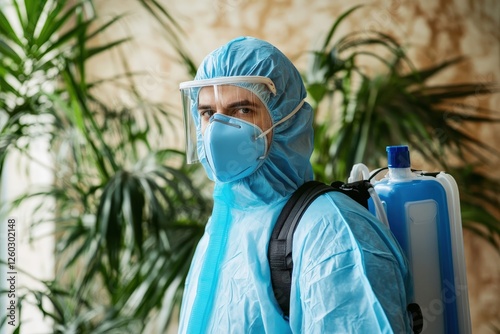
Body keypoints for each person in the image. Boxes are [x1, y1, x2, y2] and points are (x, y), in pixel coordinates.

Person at [178, 36, 413, 333]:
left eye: (243, 110)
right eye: (208, 113)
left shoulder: (332, 233)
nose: (217, 131)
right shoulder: (226, 222)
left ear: (286, 119)